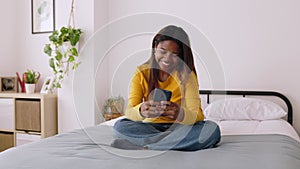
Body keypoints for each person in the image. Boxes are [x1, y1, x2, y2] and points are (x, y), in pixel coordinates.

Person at [111, 25, 220, 151]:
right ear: (155, 47)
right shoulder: (141, 73)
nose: (167, 59)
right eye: (163, 51)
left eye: (175, 55)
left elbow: (198, 115)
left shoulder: (187, 76)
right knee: (120, 126)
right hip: (150, 127)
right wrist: (141, 110)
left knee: (212, 130)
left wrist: (180, 114)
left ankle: (148, 147)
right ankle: (170, 142)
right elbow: (129, 112)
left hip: (179, 127)